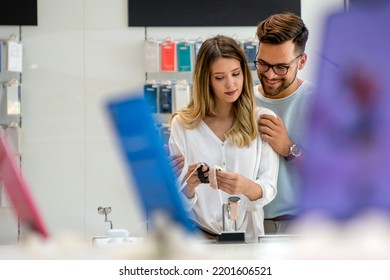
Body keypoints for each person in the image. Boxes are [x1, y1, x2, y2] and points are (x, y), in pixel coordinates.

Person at [168, 35, 279, 243]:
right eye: (219, 78)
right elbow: (176, 203)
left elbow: (269, 188)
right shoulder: (182, 125)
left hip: (249, 244)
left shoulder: (262, 120)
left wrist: (245, 186)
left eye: (236, 74)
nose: (231, 84)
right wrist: (189, 186)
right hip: (199, 243)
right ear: (206, 80)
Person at [253, 12, 316, 234]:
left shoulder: (319, 103)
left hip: (302, 226)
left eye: (281, 67)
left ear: (302, 61)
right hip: (250, 223)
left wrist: (290, 149)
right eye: (262, 64)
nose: (270, 75)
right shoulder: (242, 100)